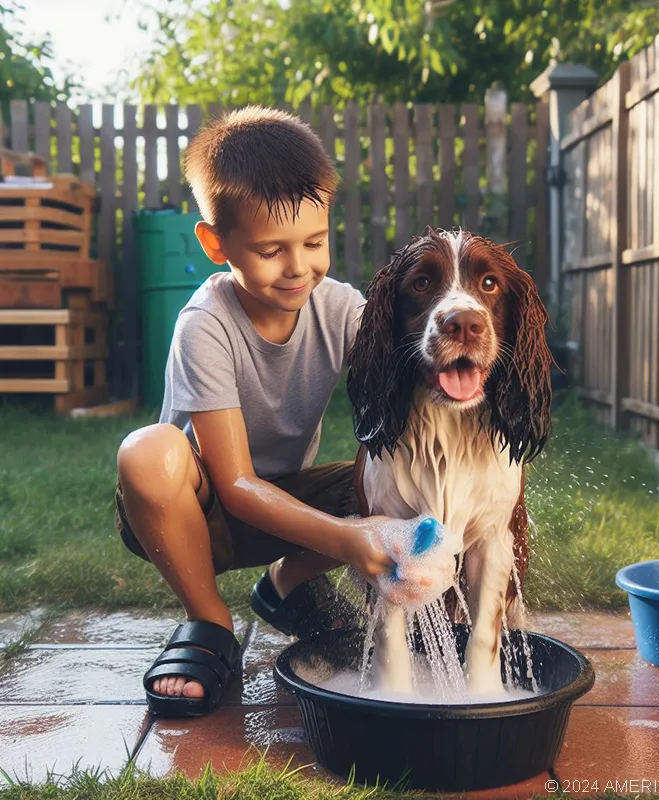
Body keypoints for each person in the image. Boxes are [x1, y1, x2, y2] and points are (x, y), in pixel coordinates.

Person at [115, 105, 396, 717]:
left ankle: (284, 586)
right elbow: (237, 485)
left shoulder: (343, 309)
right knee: (147, 449)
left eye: (315, 242)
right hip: (196, 511)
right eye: (272, 249)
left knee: (400, 474)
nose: (299, 267)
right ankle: (210, 624)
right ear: (216, 243)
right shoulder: (205, 325)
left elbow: (404, 371)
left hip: (286, 504)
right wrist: (347, 539)